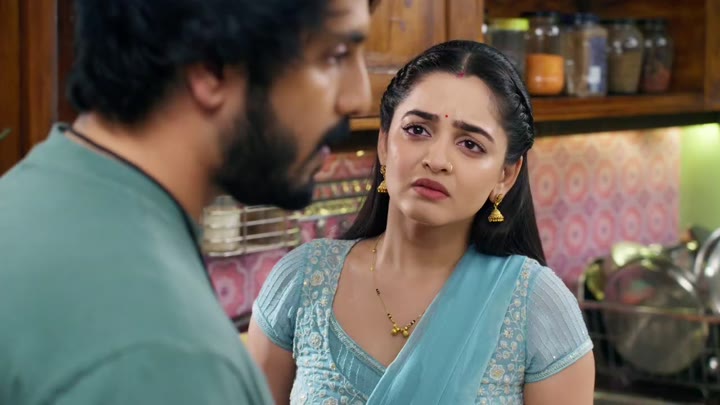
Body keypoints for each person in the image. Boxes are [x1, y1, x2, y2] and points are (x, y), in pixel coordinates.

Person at [0, 0, 377, 403]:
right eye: (335, 55)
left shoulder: (31, 195)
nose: (359, 97)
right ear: (212, 67)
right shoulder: (169, 355)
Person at [248, 40, 596, 404]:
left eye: (470, 144)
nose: (437, 159)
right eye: (417, 130)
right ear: (384, 143)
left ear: (505, 176)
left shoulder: (537, 308)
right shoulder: (302, 281)